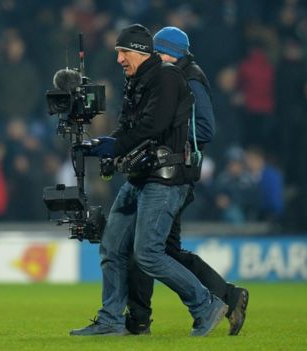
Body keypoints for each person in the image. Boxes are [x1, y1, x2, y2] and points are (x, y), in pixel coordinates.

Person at [70, 24, 228, 337]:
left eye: (123, 53)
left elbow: (153, 126)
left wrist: (116, 144)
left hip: (166, 180)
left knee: (148, 254)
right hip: (140, 176)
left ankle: (205, 304)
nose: (119, 60)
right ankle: (111, 319)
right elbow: (127, 126)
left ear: (142, 53)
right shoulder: (137, 81)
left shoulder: (169, 78)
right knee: (112, 247)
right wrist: (103, 143)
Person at [125, 26, 249, 337]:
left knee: (147, 249)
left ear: (171, 53)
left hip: (173, 176)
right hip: (168, 174)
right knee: (165, 250)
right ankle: (229, 296)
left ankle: (141, 318)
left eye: (158, 51)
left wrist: (173, 128)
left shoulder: (190, 79)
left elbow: (205, 129)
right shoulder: (176, 76)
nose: (154, 57)